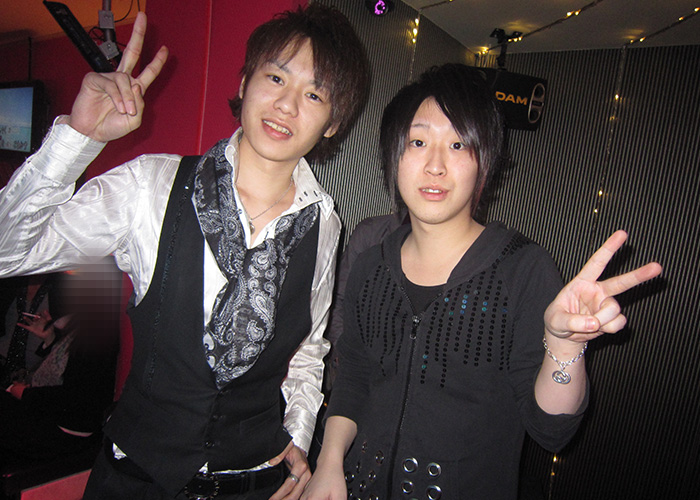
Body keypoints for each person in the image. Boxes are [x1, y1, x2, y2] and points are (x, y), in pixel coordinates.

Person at [0, 4, 369, 499]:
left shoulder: (325, 223)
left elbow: (307, 347)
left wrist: (298, 434)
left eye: (314, 94)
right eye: (276, 77)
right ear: (245, 83)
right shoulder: (152, 185)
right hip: (135, 482)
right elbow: (8, 252)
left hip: (252, 485)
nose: (287, 105)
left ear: (333, 123)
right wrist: (77, 139)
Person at [302, 64, 662, 499]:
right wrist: (329, 462)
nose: (435, 166)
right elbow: (355, 377)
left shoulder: (522, 269)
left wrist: (565, 349)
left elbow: (552, 430)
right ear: (394, 154)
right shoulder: (370, 265)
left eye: (458, 144)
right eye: (418, 142)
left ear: (484, 162)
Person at [1, 261, 120, 464]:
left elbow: (78, 396)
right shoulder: (86, 321)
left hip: (67, 430)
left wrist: (24, 393)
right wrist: (49, 338)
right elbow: (69, 366)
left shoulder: (100, 331)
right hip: (56, 414)